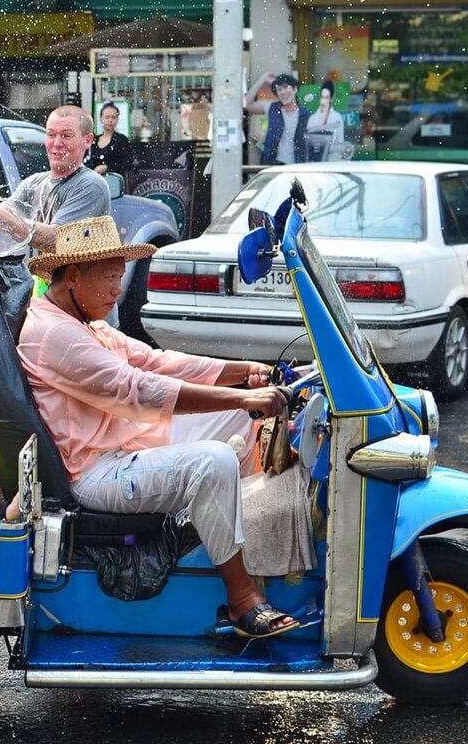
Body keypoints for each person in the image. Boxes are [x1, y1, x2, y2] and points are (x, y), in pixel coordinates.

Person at [17, 216, 299, 638]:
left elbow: (156, 361)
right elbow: (138, 388)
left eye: (119, 278)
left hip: (127, 443)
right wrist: (242, 393)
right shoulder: (54, 334)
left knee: (241, 418)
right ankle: (241, 597)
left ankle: (225, 545)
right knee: (215, 461)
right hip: (96, 473)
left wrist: (246, 373)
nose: (118, 291)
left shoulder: (87, 323)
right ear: (74, 276)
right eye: (111, 279)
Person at [0, 105, 111, 253]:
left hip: (75, 276)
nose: (56, 143)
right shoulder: (33, 183)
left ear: (88, 140)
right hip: (41, 275)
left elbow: (57, 240)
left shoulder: (91, 184)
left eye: (67, 136)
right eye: (51, 135)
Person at [244, 73, 310, 165]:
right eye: (279, 89)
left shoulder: (304, 114)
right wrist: (262, 79)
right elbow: (247, 104)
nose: (282, 92)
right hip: (272, 165)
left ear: (295, 89)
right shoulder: (272, 109)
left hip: (296, 166)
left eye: (286, 87)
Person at [86, 102, 131, 176]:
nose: (110, 120)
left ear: (117, 119)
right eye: (107, 117)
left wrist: (107, 168)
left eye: (113, 117)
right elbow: (88, 161)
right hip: (95, 181)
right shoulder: (94, 140)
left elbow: (128, 164)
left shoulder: (122, 140)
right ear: (101, 119)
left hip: (114, 182)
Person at [305, 80, 346, 162]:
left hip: (332, 163)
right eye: (322, 97)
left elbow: (340, 143)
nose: (324, 100)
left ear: (332, 98)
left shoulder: (337, 117)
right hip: (314, 162)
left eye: (327, 97)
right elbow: (308, 144)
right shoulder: (312, 119)